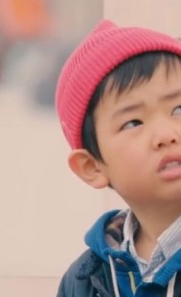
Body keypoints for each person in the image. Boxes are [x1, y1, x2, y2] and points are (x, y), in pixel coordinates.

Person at [55, 19, 181, 296]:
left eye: (179, 108)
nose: (166, 134)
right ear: (91, 167)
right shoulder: (83, 280)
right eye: (133, 123)